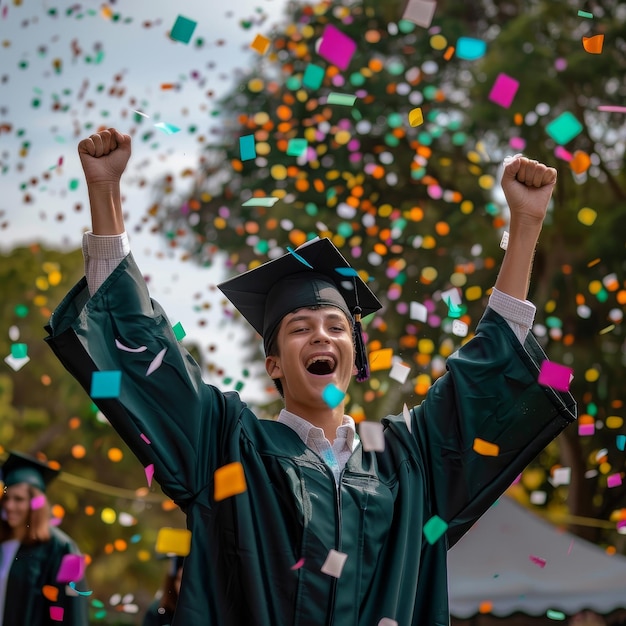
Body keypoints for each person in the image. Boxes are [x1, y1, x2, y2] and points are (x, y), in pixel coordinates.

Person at [45, 128, 576, 625]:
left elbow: (482, 378)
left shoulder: (408, 461)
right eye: (300, 327)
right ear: (273, 363)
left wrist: (525, 224)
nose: (321, 336)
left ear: (355, 353)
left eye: (335, 327)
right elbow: (148, 360)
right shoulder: (228, 445)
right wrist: (105, 192)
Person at [0, 451, 89, 626]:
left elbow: (72, 612)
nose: (9, 506)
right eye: (7, 498)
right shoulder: (2, 543)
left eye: (19, 499)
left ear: (36, 503)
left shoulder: (63, 549)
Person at [141, 556, 184, 626]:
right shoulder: (157, 612)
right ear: (172, 582)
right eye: (179, 579)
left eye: (187, 581)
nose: (183, 586)